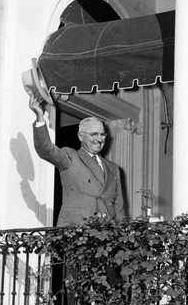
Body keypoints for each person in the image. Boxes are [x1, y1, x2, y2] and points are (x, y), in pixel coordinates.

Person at [29, 94, 125, 227]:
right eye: (94, 134)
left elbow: (119, 207)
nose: (99, 139)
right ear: (81, 136)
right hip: (77, 233)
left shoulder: (113, 168)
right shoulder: (70, 157)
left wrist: (123, 235)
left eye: (102, 134)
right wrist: (40, 117)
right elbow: (46, 150)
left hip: (107, 236)